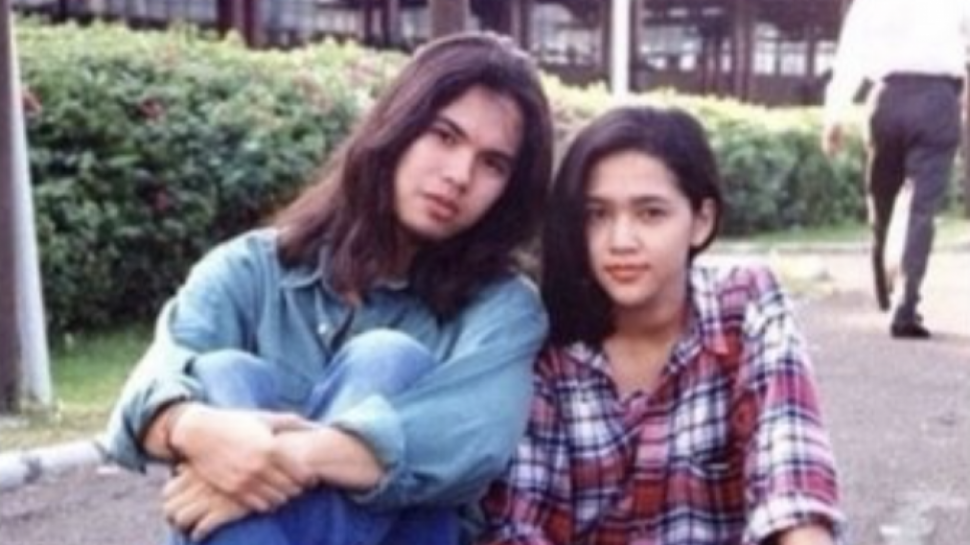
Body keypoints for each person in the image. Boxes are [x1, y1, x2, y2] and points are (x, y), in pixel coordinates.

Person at [103, 31, 553, 545]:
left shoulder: (502, 309)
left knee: (387, 360)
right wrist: (190, 426)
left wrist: (274, 462)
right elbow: (147, 389)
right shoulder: (251, 269)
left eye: (492, 164)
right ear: (397, 126)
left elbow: (473, 438)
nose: (459, 175)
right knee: (223, 372)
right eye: (444, 136)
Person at [479, 106, 844, 544]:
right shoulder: (550, 341)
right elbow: (520, 522)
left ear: (701, 221)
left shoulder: (743, 306)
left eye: (650, 213)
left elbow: (794, 481)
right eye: (598, 214)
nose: (621, 241)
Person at [821, 0, 970, 339]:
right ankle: (907, 302)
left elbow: (850, 55)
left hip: (887, 99)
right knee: (922, 209)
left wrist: (834, 114)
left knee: (882, 196)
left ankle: (883, 275)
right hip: (938, 101)